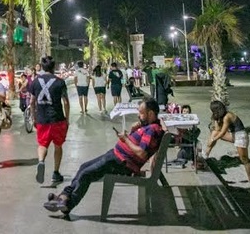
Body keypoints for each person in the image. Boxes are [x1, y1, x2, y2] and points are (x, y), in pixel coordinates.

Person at [43, 98, 166, 215]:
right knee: (83, 167)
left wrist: (126, 139)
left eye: (141, 113)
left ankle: (68, 205)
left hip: (122, 163)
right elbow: (137, 145)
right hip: (117, 157)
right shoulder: (149, 127)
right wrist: (133, 131)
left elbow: (142, 153)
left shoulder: (152, 129)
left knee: (86, 174)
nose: (139, 116)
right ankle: (64, 196)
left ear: (150, 114)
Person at [30, 56, 70, 184]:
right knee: (58, 146)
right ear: (54, 67)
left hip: (42, 119)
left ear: (42, 67)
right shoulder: (60, 82)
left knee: (42, 144)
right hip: (57, 119)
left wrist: (34, 117)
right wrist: (67, 119)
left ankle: (41, 161)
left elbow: (31, 102)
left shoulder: (35, 82)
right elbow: (66, 102)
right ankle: (56, 173)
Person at [205, 100, 250, 187]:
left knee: (244, 159)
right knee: (214, 132)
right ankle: (205, 155)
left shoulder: (227, 116)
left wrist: (213, 139)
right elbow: (217, 129)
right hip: (233, 135)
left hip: (241, 136)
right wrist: (215, 119)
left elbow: (223, 132)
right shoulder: (222, 116)